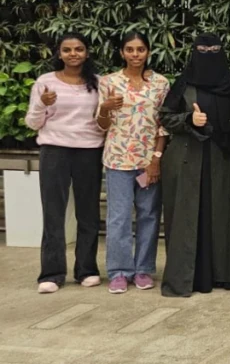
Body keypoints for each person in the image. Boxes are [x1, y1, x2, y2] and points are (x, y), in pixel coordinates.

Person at [159, 34, 230, 297]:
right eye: (202, 49)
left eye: (214, 49)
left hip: (225, 158)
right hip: (189, 159)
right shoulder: (184, 83)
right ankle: (190, 275)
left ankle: (225, 273)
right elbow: (165, 116)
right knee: (188, 216)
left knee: (224, 213)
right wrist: (189, 118)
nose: (208, 54)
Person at [25, 32, 105, 294]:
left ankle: (87, 269)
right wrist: (41, 103)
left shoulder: (99, 83)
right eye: (67, 50)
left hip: (89, 152)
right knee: (53, 213)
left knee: (88, 213)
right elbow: (33, 123)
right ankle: (51, 273)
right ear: (59, 54)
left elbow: (103, 121)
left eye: (79, 49)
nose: (73, 54)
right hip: (54, 151)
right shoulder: (45, 83)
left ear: (87, 52)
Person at [96, 32, 170, 294]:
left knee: (149, 216)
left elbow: (164, 125)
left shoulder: (160, 84)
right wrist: (105, 107)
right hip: (117, 159)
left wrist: (156, 159)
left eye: (140, 49)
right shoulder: (108, 82)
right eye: (130, 49)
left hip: (148, 159)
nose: (135, 54)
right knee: (118, 217)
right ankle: (118, 271)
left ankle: (143, 269)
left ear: (148, 52)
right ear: (122, 53)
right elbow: (102, 124)